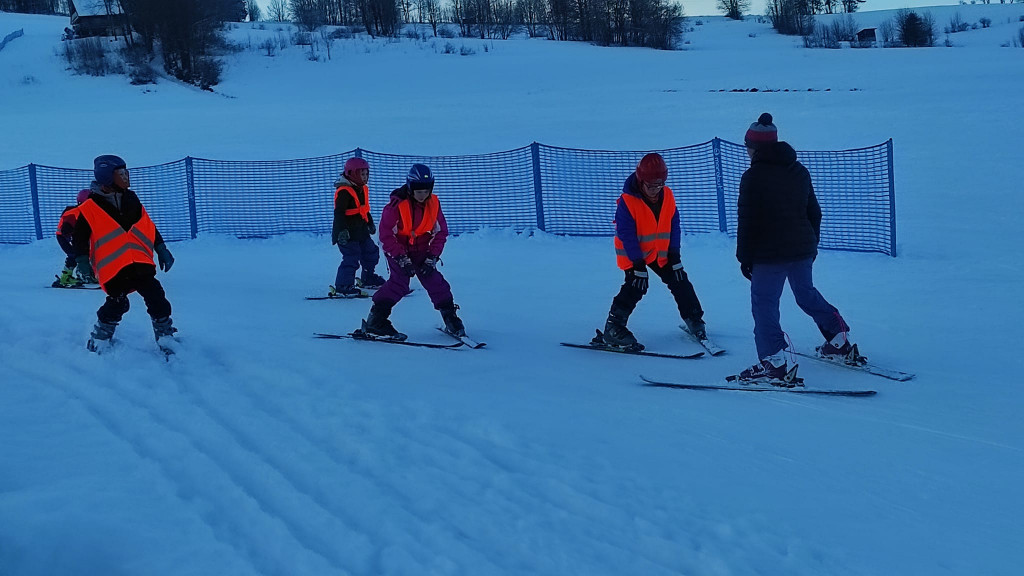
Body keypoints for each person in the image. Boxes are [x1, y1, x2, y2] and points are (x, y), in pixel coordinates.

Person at [736, 113, 857, 383]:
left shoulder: (753, 177)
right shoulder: (799, 170)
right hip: (802, 250)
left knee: (765, 305)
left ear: (754, 148)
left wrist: (744, 257)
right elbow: (814, 212)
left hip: (769, 255)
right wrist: (811, 244)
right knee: (806, 294)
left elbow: (747, 220)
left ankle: (773, 363)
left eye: (748, 147)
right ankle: (839, 338)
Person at [73, 155, 178, 353]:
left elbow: (147, 225)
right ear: (106, 177)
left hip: (139, 263)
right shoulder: (89, 208)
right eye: (119, 174)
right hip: (114, 268)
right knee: (118, 303)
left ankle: (166, 337)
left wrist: (161, 248)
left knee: (157, 297)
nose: (125, 178)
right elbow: (79, 239)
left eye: (125, 173)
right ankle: (100, 337)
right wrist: (82, 262)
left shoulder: (132, 199)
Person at [601, 152, 707, 350]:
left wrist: (674, 253)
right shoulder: (628, 201)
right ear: (641, 181)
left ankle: (694, 319)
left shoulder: (667, 195)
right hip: (634, 253)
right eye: (651, 185)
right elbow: (626, 233)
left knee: (679, 278)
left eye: (659, 184)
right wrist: (638, 264)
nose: (655, 190)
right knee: (637, 284)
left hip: (660, 251)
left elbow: (674, 223)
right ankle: (613, 328)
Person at [361, 163, 466, 340]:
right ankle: (376, 321)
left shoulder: (433, 203)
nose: (422, 195)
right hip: (398, 247)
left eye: (426, 190)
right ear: (410, 187)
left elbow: (441, 231)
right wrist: (401, 258)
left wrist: (432, 257)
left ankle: (450, 317)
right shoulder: (395, 206)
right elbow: (386, 235)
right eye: (418, 191)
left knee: (435, 281)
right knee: (399, 283)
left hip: (422, 248)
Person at [330, 157, 386, 297]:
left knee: (371, 252)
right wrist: (341, 231)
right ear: (352, 173)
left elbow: (363, 209)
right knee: (351, 257)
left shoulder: (361, 189)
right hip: (347, 233)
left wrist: (370, 223)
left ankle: (368, 277)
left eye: (366, 174)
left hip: (360, 230)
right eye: (362, 174)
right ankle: (343, 285)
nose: (365, 177)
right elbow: (339, 213)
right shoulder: (344, 191)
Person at [52, 189, 93, 288]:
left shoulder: (83, 212)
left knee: (81, 253)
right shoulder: (75, 212)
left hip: (69, 237)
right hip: (64, 238)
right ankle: (65, 278)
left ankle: (84, 274)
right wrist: (72, 235)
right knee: (74, 254)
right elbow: (66, 228)